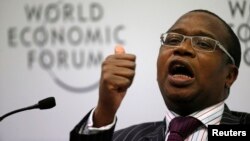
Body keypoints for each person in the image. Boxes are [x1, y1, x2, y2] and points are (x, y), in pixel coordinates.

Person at [70, 9, 250, 141]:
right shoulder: (122, 138)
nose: (182, 48)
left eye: (203, 43)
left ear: (229, 76)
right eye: (172, 40)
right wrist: (105, 110)